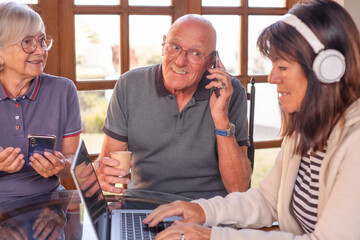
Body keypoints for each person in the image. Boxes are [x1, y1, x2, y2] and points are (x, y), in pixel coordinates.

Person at [143, 0, 360, 239]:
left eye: (283, 66)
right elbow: (267, 199)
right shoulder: (306, 130)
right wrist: (202, 210)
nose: (272, 77)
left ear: (327, 69)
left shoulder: (356, 141)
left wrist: (211, 236)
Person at [96, 14, 251, 199]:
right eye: (175, 47)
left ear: (211, 61)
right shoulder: (129, 85)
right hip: (144, 207)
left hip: (208, 210)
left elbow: (239, 188)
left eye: (195, 53)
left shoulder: (230, 93)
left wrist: (221, 117)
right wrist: (102, 172)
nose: (180, 61)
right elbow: (107, 167)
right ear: (163, 45)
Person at [0, 1, 82, 203]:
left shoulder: (64, 90)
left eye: (42, 40)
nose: (40, 50)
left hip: (50, 201)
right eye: (27, 42)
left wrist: (61, 166)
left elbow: (72, 159)